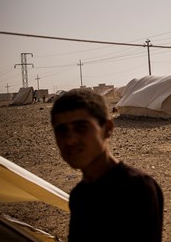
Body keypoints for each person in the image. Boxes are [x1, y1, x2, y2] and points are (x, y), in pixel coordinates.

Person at [51, 89, 164, 241]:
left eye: (81, 128)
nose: (70, 140)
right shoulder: (80, 195)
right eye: (62, 131)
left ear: (108, 129)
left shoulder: (136, 188)